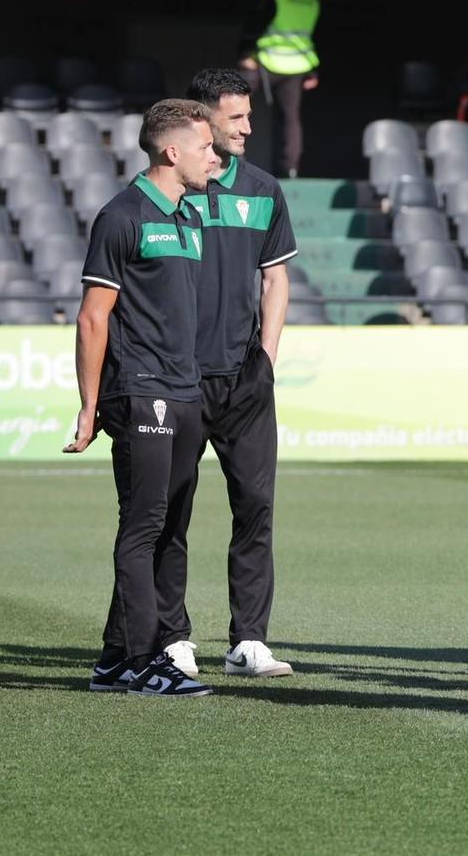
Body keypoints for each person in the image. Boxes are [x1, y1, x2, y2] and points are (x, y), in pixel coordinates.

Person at [65, 99, 222, 698]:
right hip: (141, 391)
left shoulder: (191, 215)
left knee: (167, 526)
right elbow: (91, 319)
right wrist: (88, 405)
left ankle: (112, 658)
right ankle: (142, 660)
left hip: (186, 391)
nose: (217, 157)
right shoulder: (122, 215)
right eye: (207, 147)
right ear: (172, 151)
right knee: (144, 525)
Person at [149, 69, 300, 681]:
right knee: (171, 512)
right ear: (201, 120)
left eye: (247, 115)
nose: (247, 127)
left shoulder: (264, 189)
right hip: (177, 380)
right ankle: (172, 638)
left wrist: (264, 356)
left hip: (244, 381)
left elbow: (276, 278)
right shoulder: (167, 192)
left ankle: (249, 641)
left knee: (256, 507)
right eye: (235, 118)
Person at [240, 0, 320, 178]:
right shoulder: (311, 0)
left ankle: (235, 155)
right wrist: (313, 72)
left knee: (235, 101)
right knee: (291, 118)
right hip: (298, 65)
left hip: (268, 61)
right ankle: (290, 167)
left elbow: (255, 25)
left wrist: (247, 53)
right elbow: (309, 36)